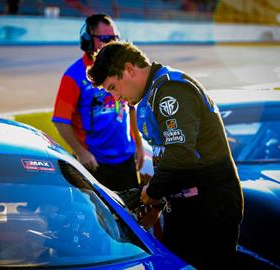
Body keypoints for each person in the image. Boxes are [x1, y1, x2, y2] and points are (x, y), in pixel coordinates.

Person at [87, 41, 244, 269]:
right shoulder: (154, 92)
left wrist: (148, 194)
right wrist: (158, 201)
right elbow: (169, 156)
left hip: (210, 207)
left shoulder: (170, 90)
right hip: (187, 205)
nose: (115, 97)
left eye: (112, 87)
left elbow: (181, 156)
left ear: (129, 69)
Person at [52, 14, 144, 192]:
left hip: (126, 160)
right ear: (88, 40)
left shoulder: (123, 68)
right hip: (94, 163)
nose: (112, 44)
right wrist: (81, 152)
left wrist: (139, 146)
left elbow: (131, 108)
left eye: (115, 38)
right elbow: (60, 120)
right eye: (105, 39)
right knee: (100, 217)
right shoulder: (73, 75)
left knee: (131, 214)